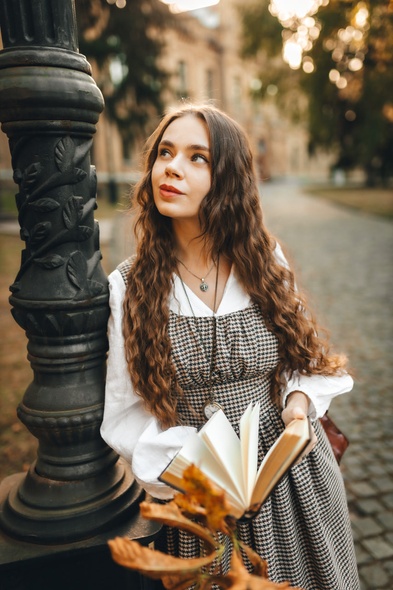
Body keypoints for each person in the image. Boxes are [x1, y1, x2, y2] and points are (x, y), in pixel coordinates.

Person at [101, 103, 360, 590]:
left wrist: (299, 409)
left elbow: (303, 357)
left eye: (198, 157)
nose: (172, 167)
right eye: (165, 153)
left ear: (228, 180)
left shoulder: (261, 258)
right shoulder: (129, 286)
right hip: (203, 501)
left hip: (291, 481)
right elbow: (123, 415)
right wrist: (196, 468)